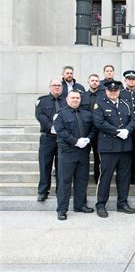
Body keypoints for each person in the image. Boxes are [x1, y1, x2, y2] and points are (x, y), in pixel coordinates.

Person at [93, 80, 135, 218]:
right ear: (106, 91)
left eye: (116, 91)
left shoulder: (126, 104)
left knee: (124, 177)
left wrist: (127, 131)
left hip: (124, 147)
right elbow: (99, 122)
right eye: (111, 91)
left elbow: (133, 120)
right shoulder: (100, 104)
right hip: (108, 147)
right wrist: (118, 131)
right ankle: (101, 205)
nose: (113, 93)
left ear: (119, 91)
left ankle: (122, 203)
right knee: (105, 177)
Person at [54, 90, 96, 220]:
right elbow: (60, 131)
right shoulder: (61, 114)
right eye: (73, 98)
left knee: (82, 180)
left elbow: (94, 129)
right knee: (64, 181)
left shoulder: (87, 114)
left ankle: (80, 205)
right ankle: (62, 209)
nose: (75, 100)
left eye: (77, 98)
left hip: (83, 152)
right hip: (68, 152)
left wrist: (88, 139)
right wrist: (75, 141)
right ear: (67, 99)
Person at [35, 78, 66, 202]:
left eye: (59, 85)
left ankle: (61, 191)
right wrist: (51, 127)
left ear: (62, 87)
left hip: (62, 139)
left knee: (61, 166)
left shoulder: (66, 101)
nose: (57, 87)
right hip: (47, 138)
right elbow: (39, 115)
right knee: (45, 165)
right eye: (54, 85)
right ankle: (43, 191)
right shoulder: (42, 100)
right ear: (50, 87)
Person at [80, 74, 102, 183]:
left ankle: (97, 177)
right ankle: (83, 178)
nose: (94, 82)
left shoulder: (103, 96)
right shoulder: (82, 96)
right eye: (92, 80)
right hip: (85, 130)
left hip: (99, 131)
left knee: (98, 156)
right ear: (88, 82)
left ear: (99, 82)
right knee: (84, 156)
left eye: (96, 81)